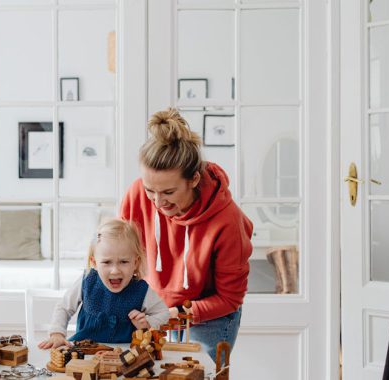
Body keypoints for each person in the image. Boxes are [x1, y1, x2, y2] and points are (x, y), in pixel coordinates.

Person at [120, 107, 253, 361]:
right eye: (150, 190)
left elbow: (229, 297)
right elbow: (123, 253)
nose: (157, 202)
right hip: (154, 307)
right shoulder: (137, 195)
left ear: (193, 179)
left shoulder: (228, 221)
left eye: (168, 192)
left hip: (209, 316)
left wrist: (175, 314)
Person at [38, 219, 170, 349]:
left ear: (135, 262)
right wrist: (57, 333)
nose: (115, 270)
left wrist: (147, 323)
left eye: (124, 262)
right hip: (84, 352)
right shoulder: (88, 281)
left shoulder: (141, 290)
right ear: (94, 263)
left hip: (125, 356)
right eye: (107, 262)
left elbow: (164, 313)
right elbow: (64, 307)